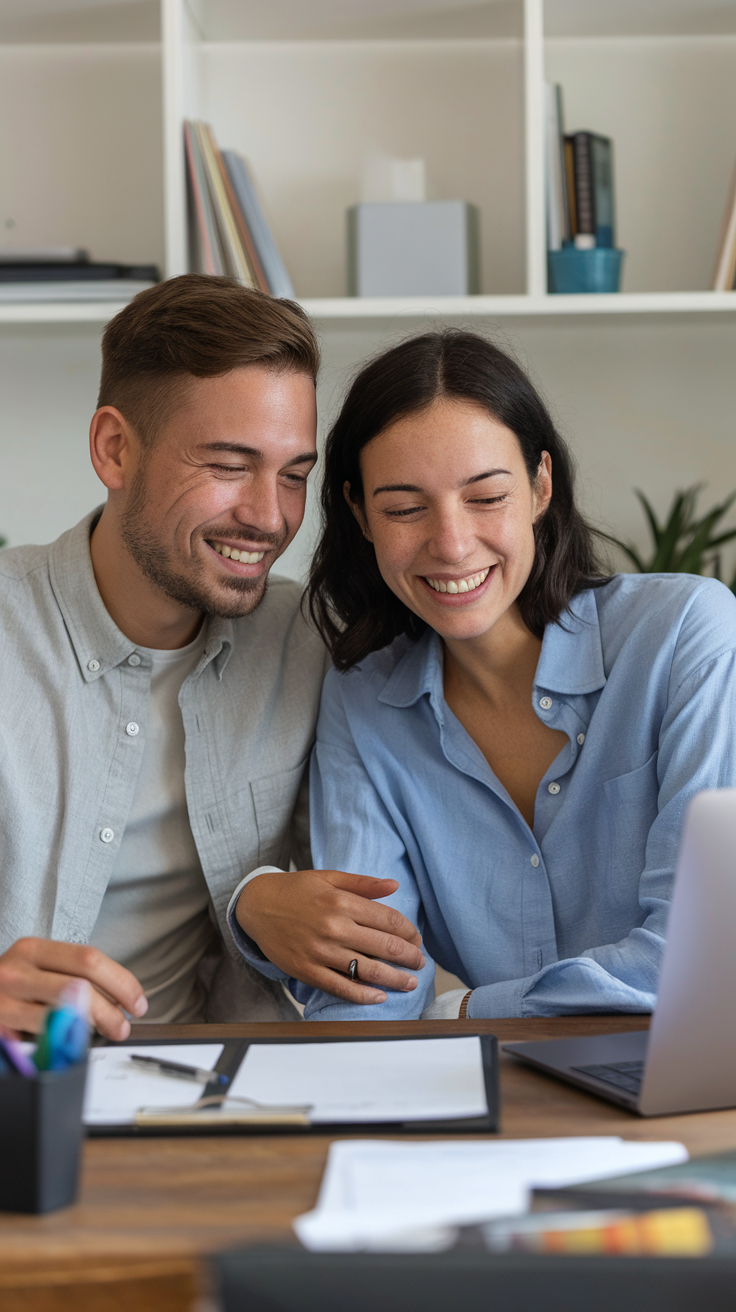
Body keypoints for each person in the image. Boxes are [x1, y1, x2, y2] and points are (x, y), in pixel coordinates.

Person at [231, 329, 736, 1020]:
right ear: (360, 515)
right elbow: (367, 989)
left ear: (539, 487)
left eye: (486, 496)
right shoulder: (363, 700)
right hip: (489, 1107)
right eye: (405, 508)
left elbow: (696, 960)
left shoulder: (685, 635)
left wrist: (464, 1012)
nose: (452, 543)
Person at [0, 275, 424, 1040]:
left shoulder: (310, 642)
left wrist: (259, 896)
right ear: (114, 448)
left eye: (294, 474)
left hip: (204, 1099)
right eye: (229, 466)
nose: (269, 517)